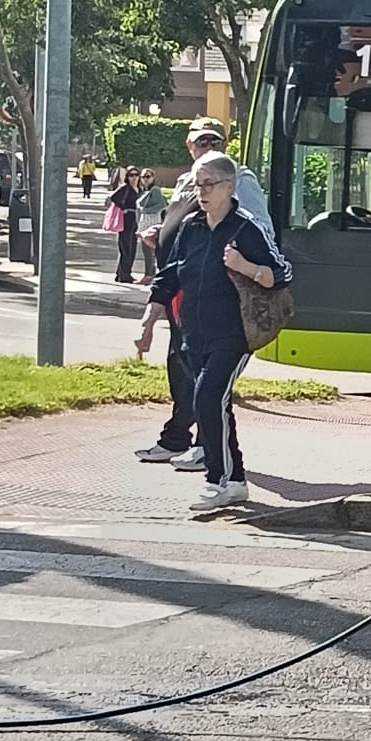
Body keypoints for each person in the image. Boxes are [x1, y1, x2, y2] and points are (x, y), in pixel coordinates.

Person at [136, 152, 291, 513]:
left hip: (234, 334)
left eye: (209, 184)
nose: (201, 192)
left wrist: (245, 266)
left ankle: (217, 480)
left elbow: (281, 273)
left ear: (230, 187)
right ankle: (235, 482)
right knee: (214, 404)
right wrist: (149, 321)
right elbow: (170, 275)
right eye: (197, 185)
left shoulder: (245, 228)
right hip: (193, 333)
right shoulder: (191, 227)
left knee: (207, 398)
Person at [107, 169, 142, 282]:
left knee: (132, 248)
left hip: (136, 221)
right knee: (125, 248)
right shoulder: (125, 188)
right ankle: (125, 275)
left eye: (136, 175)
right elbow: (114, 197)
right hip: (126, 221)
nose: (134, 177)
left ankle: (122, 274)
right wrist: (123, 208)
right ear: (127, 177)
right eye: (131, 175)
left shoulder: (140, 189)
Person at [135, 171, 169, 282]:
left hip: (151, 223)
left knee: (149, 251)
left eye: (148, 177)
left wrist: (147, 210)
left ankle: (148, 275)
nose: (145, 179)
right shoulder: (145, 190)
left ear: (153, 178)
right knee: (147, 251)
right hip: (144, 222)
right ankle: (150, 274)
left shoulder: (155, 190)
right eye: (143, 177)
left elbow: (162, 205)